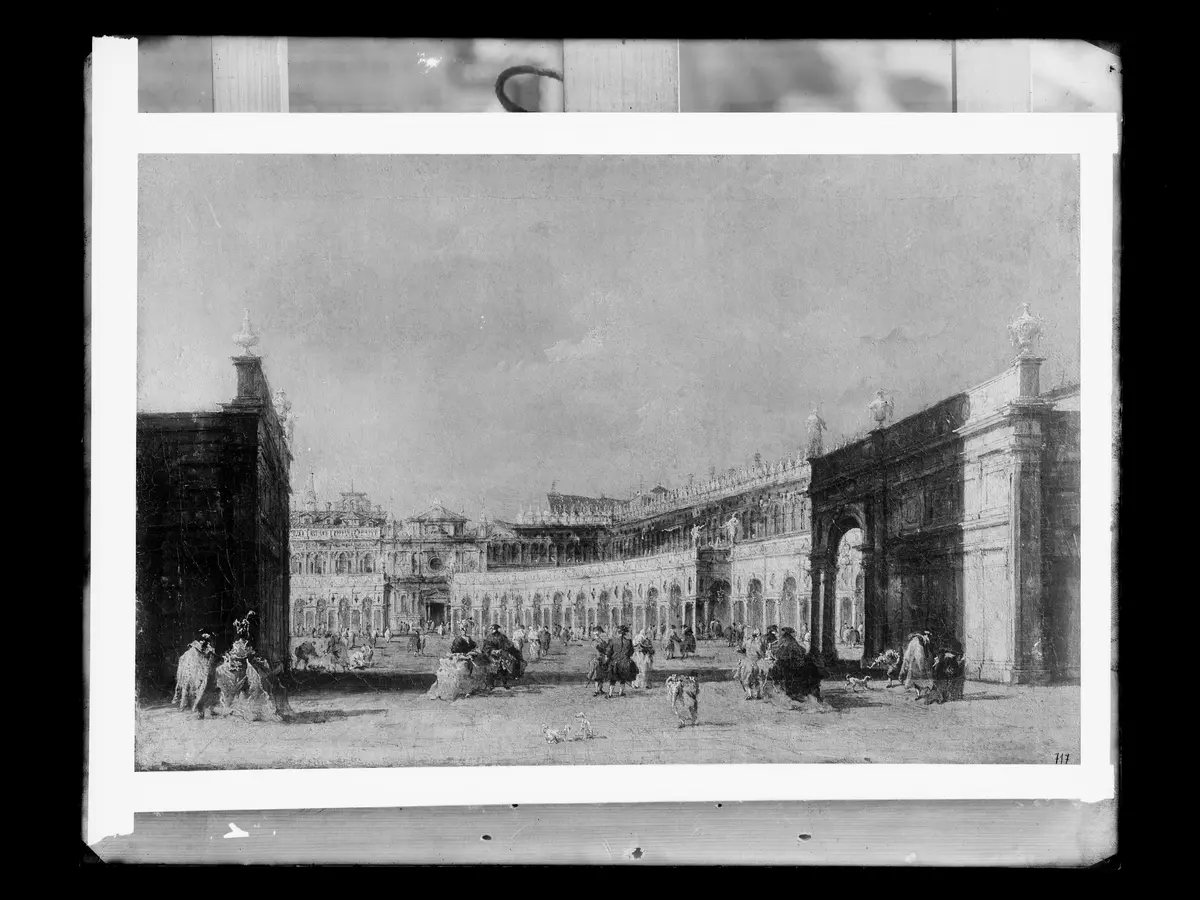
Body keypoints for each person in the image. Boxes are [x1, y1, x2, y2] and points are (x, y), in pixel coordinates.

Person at [767, 626, 824, 703]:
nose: (794, 634)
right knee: (811, 670)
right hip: (790, 666)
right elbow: (801, 651)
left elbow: (776, 653)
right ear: (790, 634)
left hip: (783, 664)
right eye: (793, 632)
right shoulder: (791, 642)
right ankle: (806, 693)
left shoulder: (781, 641)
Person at [482, 623, 521, 690]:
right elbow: (485, 647)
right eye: (492, 629)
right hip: (492, 656)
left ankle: (504, 683)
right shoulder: (488, 637)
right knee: (491, 670)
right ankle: (491, 684)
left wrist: (503, 650)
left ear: (497, 629)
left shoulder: (502, 636)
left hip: (502, 654)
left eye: (495, 629)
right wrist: (493, 651)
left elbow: (508, 644)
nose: (494, 630)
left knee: (504, 669)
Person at [605, 624, 638, 699]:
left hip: (615, 662)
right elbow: (631, 652)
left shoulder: (612, 640)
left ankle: (610, 694)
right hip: (625, 661)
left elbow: (608, 651)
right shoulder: (628, 641)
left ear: (617, 632)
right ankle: (621, 692)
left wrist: (610, 657)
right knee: (623, 678)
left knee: (613, 678)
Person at [588, 627, 610, 696]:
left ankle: (600, 689)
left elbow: (605, 648)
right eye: (597, 632)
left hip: (602, 659)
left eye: (599, 632)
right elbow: (593, 650)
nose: (598, 633)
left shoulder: (601, 640)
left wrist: (606, 654)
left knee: (602, 675)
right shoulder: (593, 641)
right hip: (595, 660)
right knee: (596, 675)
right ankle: (596, 690)